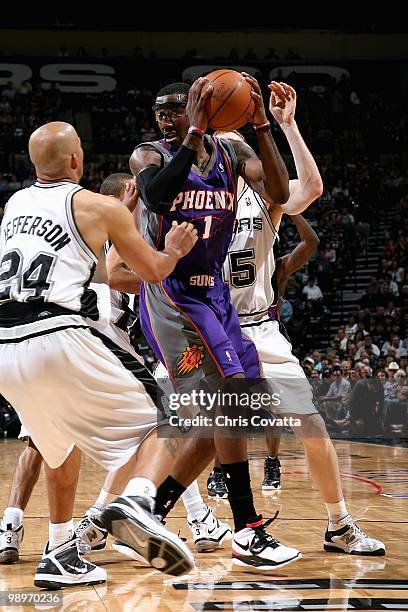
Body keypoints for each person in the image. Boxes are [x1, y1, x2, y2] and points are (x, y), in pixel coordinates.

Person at [155, 82, 385, 557]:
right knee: (186, 431)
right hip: (199, 322)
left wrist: (286, 125)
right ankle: (137, 515)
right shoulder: (186, 193)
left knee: (311, 423)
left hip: (257, 326)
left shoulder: (267, 200)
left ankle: (338, 524)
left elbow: (312, 188)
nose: (235, 163)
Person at [0, 123, 198, 588]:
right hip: (55, 332)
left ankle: (60, 550)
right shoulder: (99, 205)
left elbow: (78, 254)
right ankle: (136, 501)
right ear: (75, 160)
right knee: (172, 414)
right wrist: (172, 250)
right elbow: (150, 270)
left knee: (57, 443)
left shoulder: (14, 204)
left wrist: (117, 217)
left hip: (4, 345)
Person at [128, 75, 302, 572]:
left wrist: (263, 125)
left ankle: (147, 513)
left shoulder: (231, 155)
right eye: (159, 109)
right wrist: (194, 131)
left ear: (200, 103)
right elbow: (159, 196)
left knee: (231, 413)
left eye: (176, 107)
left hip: (215, 295)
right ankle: (247, 531)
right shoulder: (150, 154)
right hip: (173, 296)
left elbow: (277, 189)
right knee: (227, 400)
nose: (165, 115)